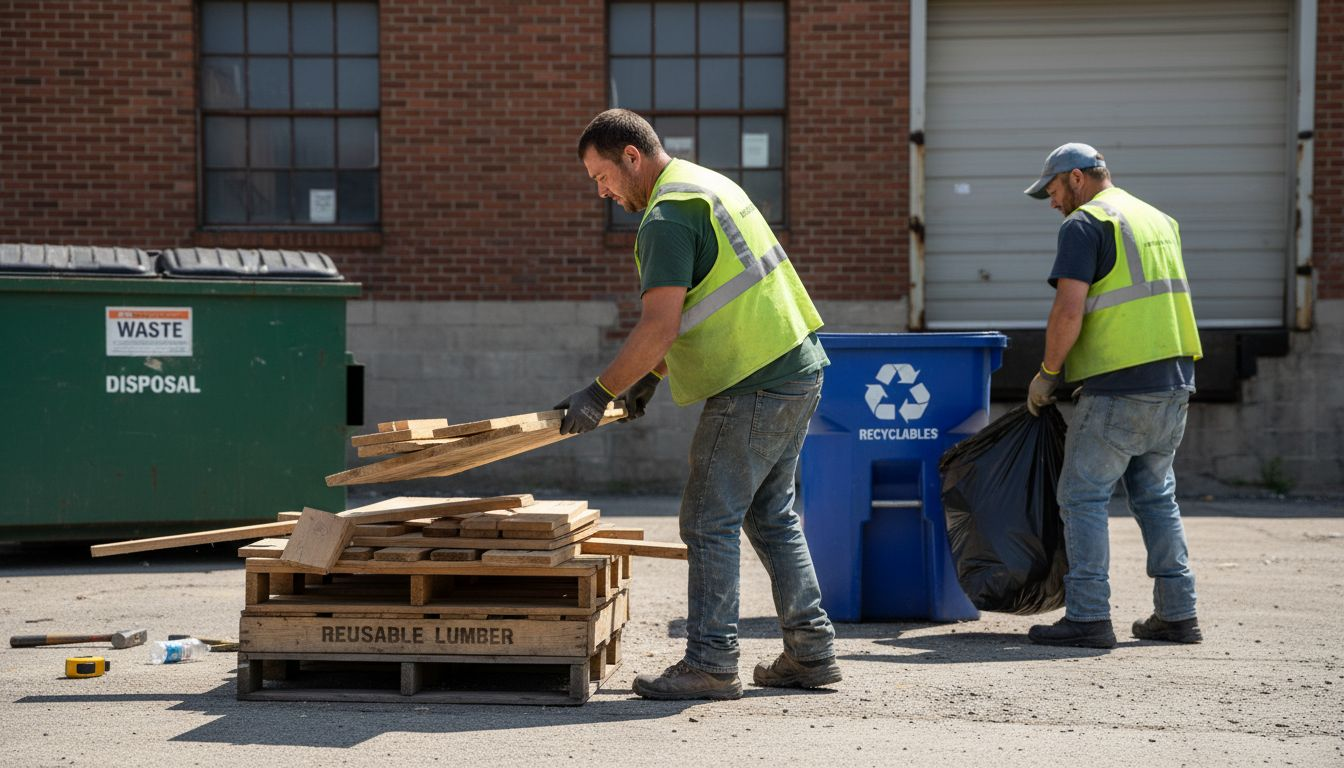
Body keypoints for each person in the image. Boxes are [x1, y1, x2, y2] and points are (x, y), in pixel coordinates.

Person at [556, 108, 840, 699]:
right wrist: (650, 378)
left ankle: (711, 662)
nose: (603, 192)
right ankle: (811, 653)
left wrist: (600, 390)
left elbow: (659, 326)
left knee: (708, 519)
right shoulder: (707, 185)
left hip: (754, 381)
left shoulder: (666, 216)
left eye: (600, 177)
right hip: (796, 367)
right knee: (771, 516)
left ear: (631, 157)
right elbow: (707, 303)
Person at [1022, 142, 1204, 649]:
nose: (1054, 202)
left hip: (1118, 386)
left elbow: (1068, 310)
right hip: (1174, 382)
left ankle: (1087, 615)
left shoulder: (1086, 224)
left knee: (1081, 495)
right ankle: (1178, 612)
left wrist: (1047, 373)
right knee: (1155, 496)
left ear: (1077, 178)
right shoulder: (1157, 219)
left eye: (1054, 191)